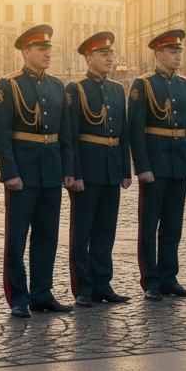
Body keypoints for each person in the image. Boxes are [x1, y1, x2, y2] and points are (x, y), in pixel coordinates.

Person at [0, 25, 75, 317]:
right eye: (41, 49)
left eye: (49, 48)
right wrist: (9, 171)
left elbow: (65, 132)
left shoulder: (56, 85)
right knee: (16, 238)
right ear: (26, 52)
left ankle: (42, 293)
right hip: (23, 173)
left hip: (50, 171)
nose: (47, 53)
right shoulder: (9, 84)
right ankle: (18, 297)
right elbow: (0, 132)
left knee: (47, 236)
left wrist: (68, 169)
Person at [130, 29, 186, 300]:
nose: (178, 56)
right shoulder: (144, 84)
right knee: (149, 225)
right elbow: (136, 129)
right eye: (172, 52)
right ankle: (150, 281)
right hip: (155, 165)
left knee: (173, 226)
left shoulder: (185, 85)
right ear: (158, 54)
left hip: (177, 164)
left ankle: (169, 277)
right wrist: (142, 166)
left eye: (179, 51)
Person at [65, 31, 131, 307]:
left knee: (106, 230)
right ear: (89, 59)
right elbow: (69, 134)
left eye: (111, 55)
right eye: (104, 55)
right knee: (83, 232)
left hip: (111, 169)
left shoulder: (116, 89)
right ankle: (83, 287)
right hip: (88, 170)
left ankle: (103, 283)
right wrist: (74, 173)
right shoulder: (76, 88)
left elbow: (123, 131)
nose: (110, 59)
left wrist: (125, 170)